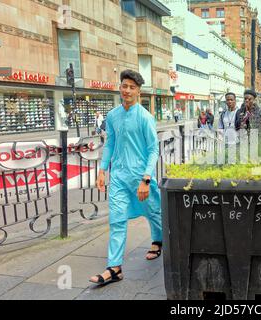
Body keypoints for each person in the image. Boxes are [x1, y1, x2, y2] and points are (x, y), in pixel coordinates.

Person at [90, 70, 162, 285]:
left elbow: (153, 150)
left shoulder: (145, 117)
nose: (127, 90)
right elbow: (110, 143)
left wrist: (146, 179)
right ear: (120, 88)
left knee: (154, 212)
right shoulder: (112, 116)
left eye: (132, 87)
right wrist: (103, 169)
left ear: (138, 91)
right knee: (116, 220)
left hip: (141, 176)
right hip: (119, 177)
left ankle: (158, 241)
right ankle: (114, 268)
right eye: (124, 85)